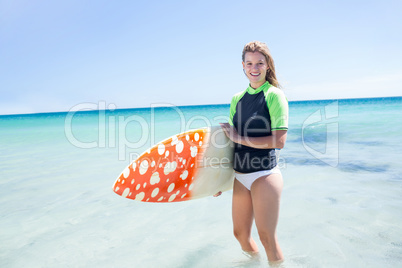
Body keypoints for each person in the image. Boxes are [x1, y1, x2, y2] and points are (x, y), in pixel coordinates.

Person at [220, 41, 288, 263]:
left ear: (267, 65)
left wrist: (239, 137)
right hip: (240, 176)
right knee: (240, 234)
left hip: (264, 175)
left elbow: (279, 140)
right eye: (249, 63)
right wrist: (217, 181)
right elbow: (230, 144)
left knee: (267, 237)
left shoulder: (274, 95)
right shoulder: (236, 99)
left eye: (260, 62)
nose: (254, 68)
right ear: (243, 66)